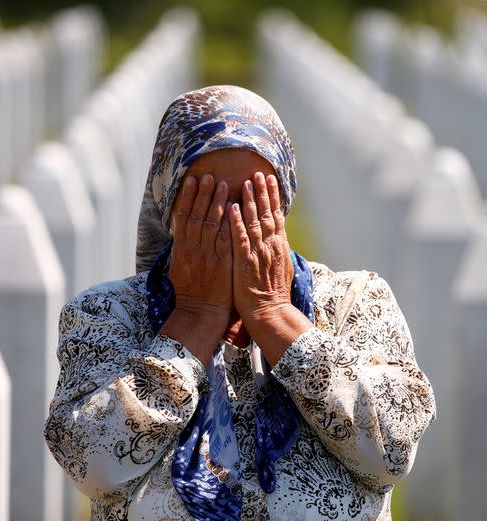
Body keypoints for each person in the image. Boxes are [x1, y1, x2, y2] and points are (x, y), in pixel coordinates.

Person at [44, 85, 436, 521]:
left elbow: (391, 451)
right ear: (170, 206)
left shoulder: (355, 302)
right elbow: (93, 464)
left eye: (251, 200)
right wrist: (193, 319)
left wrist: (274, 315)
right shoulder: (106, 313)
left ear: (281, 203)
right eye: (207, 202)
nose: (232, 223)